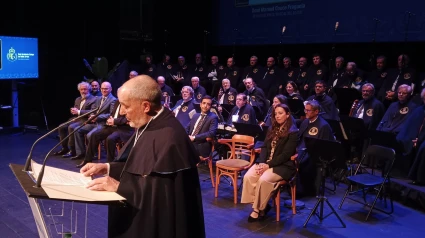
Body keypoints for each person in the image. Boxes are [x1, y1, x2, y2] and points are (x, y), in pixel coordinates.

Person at [79, 75, 205, 238]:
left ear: (145, 106)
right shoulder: (149, 123)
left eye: (125, 106)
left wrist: (120, 188)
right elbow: (139, 165)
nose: (122, 112)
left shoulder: (170, 138)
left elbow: (163, 194)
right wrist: (107, 167)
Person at [241, 104, 298, 222]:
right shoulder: (272, 128)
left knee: (263, 179)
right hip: (266, 163)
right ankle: (263, 206)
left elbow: (286, 155)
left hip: (283, 166)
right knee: (249, 176)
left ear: (287, 115)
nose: (277, 116)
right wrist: (262, 163)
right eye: (276, 113)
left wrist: (268, 165)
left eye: (280, 113)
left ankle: (256, 210)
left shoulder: (293, 132)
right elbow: (265, 147)